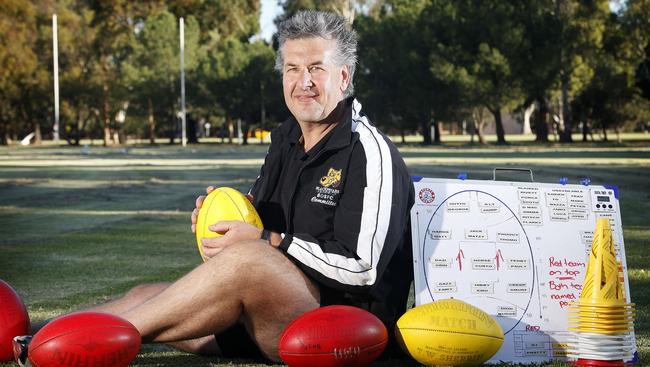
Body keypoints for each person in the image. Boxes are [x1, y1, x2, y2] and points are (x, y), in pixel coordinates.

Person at [17, 10, 414, 363]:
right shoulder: (285, 139)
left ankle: (81, 342)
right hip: (268, 313)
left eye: (316, 68)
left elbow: (363, 269)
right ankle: (33, 336)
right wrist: (224, 212)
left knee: (251, 257)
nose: (303, 82)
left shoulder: (368, 151)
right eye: (292, 69)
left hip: (340, 328)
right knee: (146, 295)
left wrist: (265, 239)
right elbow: (260, 217)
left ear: (343, 76)